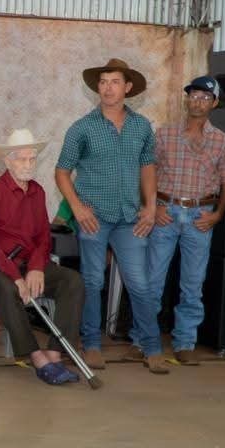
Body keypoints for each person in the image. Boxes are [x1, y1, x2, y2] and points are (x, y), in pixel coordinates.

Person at [54, 58, 166, 374]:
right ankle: (91, 344)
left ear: (127, 87)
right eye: (103, 82)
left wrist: (151, 205)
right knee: (92, 281)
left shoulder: (141, 126)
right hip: (94, 217)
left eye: (115, 82)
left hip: (130, 217)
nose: (107, 88)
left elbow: (148, 167)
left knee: (140, 283)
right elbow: (62, 172)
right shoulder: (82, 128)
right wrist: (76, 208)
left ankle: (152, 347)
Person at [147, 76, 225, 365]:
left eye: (204, 97)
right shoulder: (165, 134)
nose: (197, 102)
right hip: (165, 212)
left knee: (193, 284)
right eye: (193, 96)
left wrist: (218, 214)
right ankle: (143, 339)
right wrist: (152, 206)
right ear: (187, 100)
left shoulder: (222, 141)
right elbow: (147, 171)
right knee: (152, 281)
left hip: (200, 216)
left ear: (215, 103)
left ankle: (185, 342)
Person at [0, 129, 85, 386]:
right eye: (22, 159)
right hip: (1, 266)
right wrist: (15, 276)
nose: (28, 164)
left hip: (30, 263)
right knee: (7, 288)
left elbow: (43, 237)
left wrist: (35, 268)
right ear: (7, 161)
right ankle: (36, 357)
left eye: (32, 159)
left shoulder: (38, 192)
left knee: (72, 281)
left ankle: (54, 354)